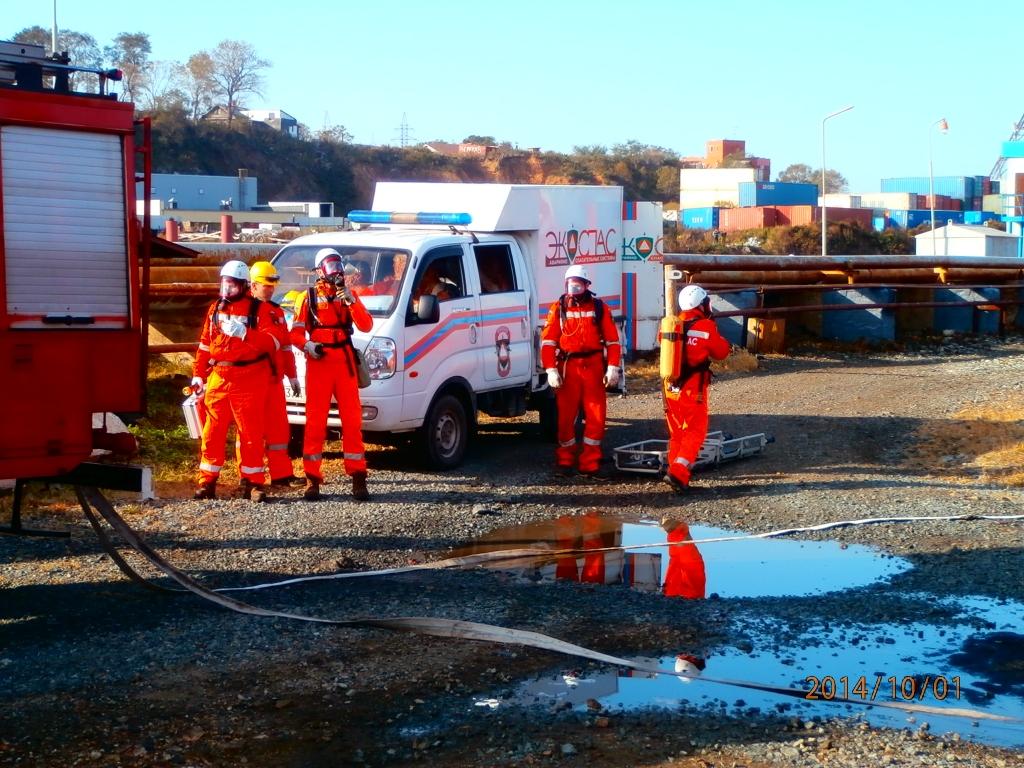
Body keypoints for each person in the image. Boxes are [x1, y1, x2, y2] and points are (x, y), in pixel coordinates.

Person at [191, 260, 281, 502]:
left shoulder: (259, 310)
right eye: (224, 284)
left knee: (250, 433)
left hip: (248, 378)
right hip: (219, 377)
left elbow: (274, 343)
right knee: (212, 432)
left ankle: (253, 483)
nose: (227, 290)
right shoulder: (215, 309)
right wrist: (198, 374)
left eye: (231, 285)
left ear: (243, 285)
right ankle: (207, 482)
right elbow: (204, 346)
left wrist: (245, 334)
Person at [290, 248, 374, 501]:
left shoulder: (348, 297)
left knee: (352, 422)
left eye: (338, 265)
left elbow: (366, 325)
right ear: (319, 271)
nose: (336, 271)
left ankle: (358, 476)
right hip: (320, 363)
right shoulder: (308, 298)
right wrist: (307, 345)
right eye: (330, 266)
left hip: (345, 363)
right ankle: (312, 479)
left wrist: (352, 300)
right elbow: (294, 334)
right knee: (315, 423)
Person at [540, 264, 622, 476]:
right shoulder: (558, 309)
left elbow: (613, 341)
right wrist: (550, 369)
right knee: (565, 417)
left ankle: (590, 463)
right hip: (568, 367)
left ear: (587, 285)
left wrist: (613, 367)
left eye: (578, 283)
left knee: (596, 416)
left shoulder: (599, 307)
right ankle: (565, 460)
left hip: (594, 366)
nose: (574, 287)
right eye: (570, 283)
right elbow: (548, 342)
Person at [661, 284, 730, 494]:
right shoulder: (706, 327)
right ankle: (679, 471)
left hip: (669, 386)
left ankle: (676, 472)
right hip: (693, 387)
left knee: (677, 433)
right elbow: (721, 352)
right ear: (702, 304)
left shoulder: (671, 325)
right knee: (695, 430)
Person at [247, 261, 302, 488]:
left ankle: (281, 475)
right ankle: (250, 477)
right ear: (253, 285)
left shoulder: (277, 311)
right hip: (253, 380)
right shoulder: (246, 311)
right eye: (266, 285)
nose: (270, 289)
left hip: (275, 380)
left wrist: (292, 375)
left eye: (272, 285)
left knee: (279, 430)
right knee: (252, 431)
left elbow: (287, 347)